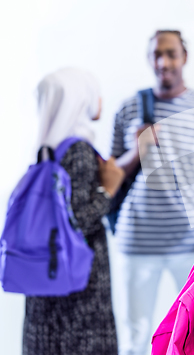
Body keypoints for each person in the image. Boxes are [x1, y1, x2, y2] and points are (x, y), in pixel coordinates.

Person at [111, 30, 194, 355]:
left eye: (171, 54)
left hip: (190, 242)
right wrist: (136, 149)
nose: (164, 62)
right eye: (157, 54)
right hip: (136, 240)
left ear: (184, 57)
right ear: (149, 59)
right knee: (135, 335)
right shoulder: (130, 108)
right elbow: (111, 177)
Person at [23, 67, 124, 355]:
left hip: (46, 278)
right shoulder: (78, 150)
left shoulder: (45, 150)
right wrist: (108, 190)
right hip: (79, 290)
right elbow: (77, 221)